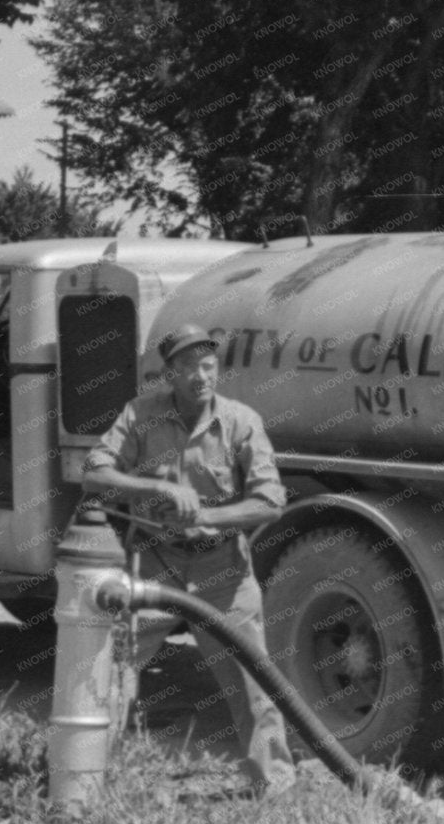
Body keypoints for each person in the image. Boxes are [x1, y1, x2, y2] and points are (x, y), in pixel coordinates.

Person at [83, 323, 297, 794]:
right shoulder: (140, 415)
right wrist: (156, 487)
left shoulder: (242, 422)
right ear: (170, 375)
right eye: (188, 368)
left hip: (223, 570)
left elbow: (270, 503)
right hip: (153, 563)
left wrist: (207, 516)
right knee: (109, 668)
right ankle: (82, 778)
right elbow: (93, 473)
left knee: (252, 680)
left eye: (208, 365)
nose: (201, 376)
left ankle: (275, 788)